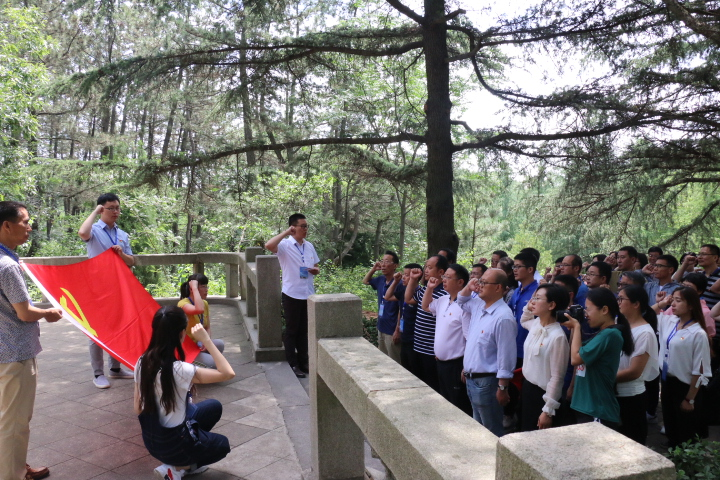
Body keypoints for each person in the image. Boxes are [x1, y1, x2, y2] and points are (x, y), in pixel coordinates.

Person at [0, 201, 63, 480]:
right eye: (25, 222)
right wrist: (49, 313)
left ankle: (13, 466)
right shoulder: (7, 266)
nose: (29, 227)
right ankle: (11, 474)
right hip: (14, 353)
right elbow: (24, 313)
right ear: (6, 225)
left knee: (6, 416)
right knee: (14, 420)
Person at [134, 306, 234, 479]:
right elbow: (227, 373)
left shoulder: (142, 361)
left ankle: (177, 462)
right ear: (181, 333)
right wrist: (206, 340)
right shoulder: (180, 370)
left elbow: (137, 408)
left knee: (213, 407)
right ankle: (180, 467)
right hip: (175, 444)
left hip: (153, 441)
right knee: (222, 445)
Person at [78, 193, 135, 388]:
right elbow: (82, 233)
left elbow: (131, 261)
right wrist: (95, 211)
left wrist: (121, 254)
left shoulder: (122, 234)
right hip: (96, 289)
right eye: (111, 208)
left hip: (118, 287)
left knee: (118, 328)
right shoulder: (94, 230)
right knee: (96, 331)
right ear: (102, 209)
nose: (115, 211)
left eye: (117, 208)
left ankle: (115, 369)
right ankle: (98, 373)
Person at [458, 268, 517, 437]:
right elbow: (461, 301)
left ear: (498, 287)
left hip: (487, 383)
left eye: (484, 282)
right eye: (480, 281)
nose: (480, 285)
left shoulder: (503, 317)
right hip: (472, 379)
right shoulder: (479, 305)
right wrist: (469, 287)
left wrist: (502, 387)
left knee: (490, 431)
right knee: (478, 427)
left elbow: (506, 355)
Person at [651, 287, 712, 447]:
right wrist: (661, 303)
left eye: (678, 301)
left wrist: (689, 398)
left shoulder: (698, 333)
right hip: (667, 380)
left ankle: (685, 456)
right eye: (673, 300)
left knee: (685, 426)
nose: (673, 304)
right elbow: (649, 314)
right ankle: (672, 447)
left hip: (685, 385)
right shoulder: (671, 322)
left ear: (691, 305)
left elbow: (699, 370)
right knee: (670, 419)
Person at [565, 288, 634, 428]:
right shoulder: (601, 334)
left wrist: (577, 327)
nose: (586, 315)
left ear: (604, 310)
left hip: (597, 409)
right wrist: (574, 326)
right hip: (586, 406)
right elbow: (575, 351)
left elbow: (575, 359)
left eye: (588, 310)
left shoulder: (610, 335)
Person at [265, 213, 320, 378]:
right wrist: (286, 232)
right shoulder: (285, 245)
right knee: (292, 330)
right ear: (293, 227)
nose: (305, 229)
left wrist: (315, 270)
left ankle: (304, 362)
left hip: (307, 293)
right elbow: (268, 245)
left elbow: (316, 266)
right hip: (291, 294)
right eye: (302, 226)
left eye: (306, 226)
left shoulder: (309, 246)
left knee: (304, 330)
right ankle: (293, 363)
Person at [518, 284, 570, 432]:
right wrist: (528, 308)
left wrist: (548, 410)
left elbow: (557, 377)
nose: (532, 301)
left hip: (543, 395)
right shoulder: (536, 324)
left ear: (551, 305)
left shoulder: (557, 336)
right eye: (533, 297)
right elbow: (524, 321)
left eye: (537, 298)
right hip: (527, 388)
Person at [421, 264, 472, 415]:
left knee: (457, 404)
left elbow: (469, 338)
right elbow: (425, 306)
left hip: (456, 364)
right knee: (444, 400)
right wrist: (429, 288)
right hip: (440, 362)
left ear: (460, 282)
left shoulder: (466, 307)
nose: (444, 280)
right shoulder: (443, 299)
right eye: (444, 276)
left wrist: (466, 366)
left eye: (448, 277)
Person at [615, 285, 659, 445]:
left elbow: (634, 371)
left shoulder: (645, 333)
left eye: (622, 299)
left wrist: (604, 377)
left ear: (636, 304)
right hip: (614, 393)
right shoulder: (620, 325)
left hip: (631, 396)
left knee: (631, 442)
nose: (618, 302)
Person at [404, 255, 447, 391]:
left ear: (441, 272)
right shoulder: (424, 289)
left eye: (429, 267)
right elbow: (408, 299)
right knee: (418, 382)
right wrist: (413, 279)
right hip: (418, 346)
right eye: (425, 267)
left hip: (431, 350)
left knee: (431, 385)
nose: (426, 270)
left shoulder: (444, 294)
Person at [178, 274, 225, 368]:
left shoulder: (204, 303)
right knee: (213, 363)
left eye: (206, 286)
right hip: (187, 347)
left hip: (198, 343)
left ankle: (201, 360)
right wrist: (194, 288)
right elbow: (199, 309)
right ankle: (189, 363)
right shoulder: (183, 304)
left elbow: (207, 327)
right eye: (203, 286)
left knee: (220, 344)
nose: (206, 289)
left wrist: (206, 341)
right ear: (192, 289)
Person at [363, 251, 401, 363]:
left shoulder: (399, 283)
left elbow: (401, 309)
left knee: (394, 361)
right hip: (381, 326)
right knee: (383, 360)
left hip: (392, 329)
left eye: (387, 262)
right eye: (382, 261)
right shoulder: (381, 280)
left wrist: (398, 330)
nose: (383, 265)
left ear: (395, 266)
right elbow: (365, 281)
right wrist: (374, 269)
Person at [385, 263, 422, 372]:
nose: (403, 278)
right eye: (404, 274)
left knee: (414, 370)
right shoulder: (403, 291)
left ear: (416, 276)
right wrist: (395, 281)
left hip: (414, 340)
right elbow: (387, 297)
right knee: (404, 367)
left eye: (407, 275)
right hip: (404, 336)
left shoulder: (421, 294)